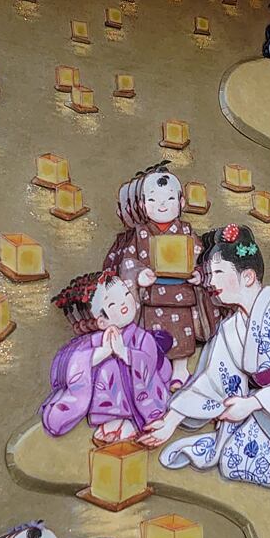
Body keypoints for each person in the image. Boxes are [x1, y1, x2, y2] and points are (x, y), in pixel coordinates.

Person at [138, 224, 270, 508]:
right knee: (233, 463)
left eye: (218, 273)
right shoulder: (231, 327)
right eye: (210, 274)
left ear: (247, 276)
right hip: (263, 403)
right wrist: (171, 421)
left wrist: (251, 404)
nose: (210, 282)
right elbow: (214, 380)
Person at [102, 162, 215, 386]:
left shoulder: (186, 231)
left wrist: (198, 274)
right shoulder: (141, 233)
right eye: (153, 200)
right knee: (152, 336)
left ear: (181, 203)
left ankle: (180, 370)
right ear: (143, 205)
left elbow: (200, 256)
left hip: (182, 294)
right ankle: (152, 369)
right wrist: (139, 274)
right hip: (152, 296)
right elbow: (128, 262)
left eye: (169, 199)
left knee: (182, 334)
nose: (161, 205)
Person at [40, 272, 173, 445]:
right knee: (107, 367)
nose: (123, 303)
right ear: (101, 322)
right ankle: (114, 419)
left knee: (122, 368)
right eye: (112, 303)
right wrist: (101, 353)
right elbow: (76, 363)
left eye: (125, 294)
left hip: (146, 397)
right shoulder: (97, 340)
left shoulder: (142, 338)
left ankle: (135, 422)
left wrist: (125, 353)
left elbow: (149, 362)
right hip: (109, 404)